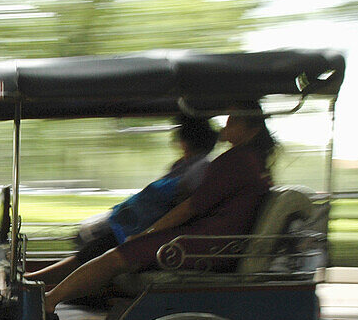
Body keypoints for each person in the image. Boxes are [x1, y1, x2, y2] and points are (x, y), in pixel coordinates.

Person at [44, 105, 277, 317]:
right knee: (114, 251)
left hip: (202, 245)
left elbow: (190, 208)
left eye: (233, 121)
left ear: (253, 129)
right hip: (212, 242)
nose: (226, 126)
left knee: (115, 256)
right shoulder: (250, 161)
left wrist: (148, 234)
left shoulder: (237, 161)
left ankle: (49, 301)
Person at [27, 115, 218, 286]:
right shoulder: (183, 165)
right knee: (90, 243)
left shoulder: (199, 168)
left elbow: (182, 205)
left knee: (95, 250)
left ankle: (35, 280)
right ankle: (36, 279)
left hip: (149, 231)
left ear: (186, 142)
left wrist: (147, 232)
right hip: (136, 224)